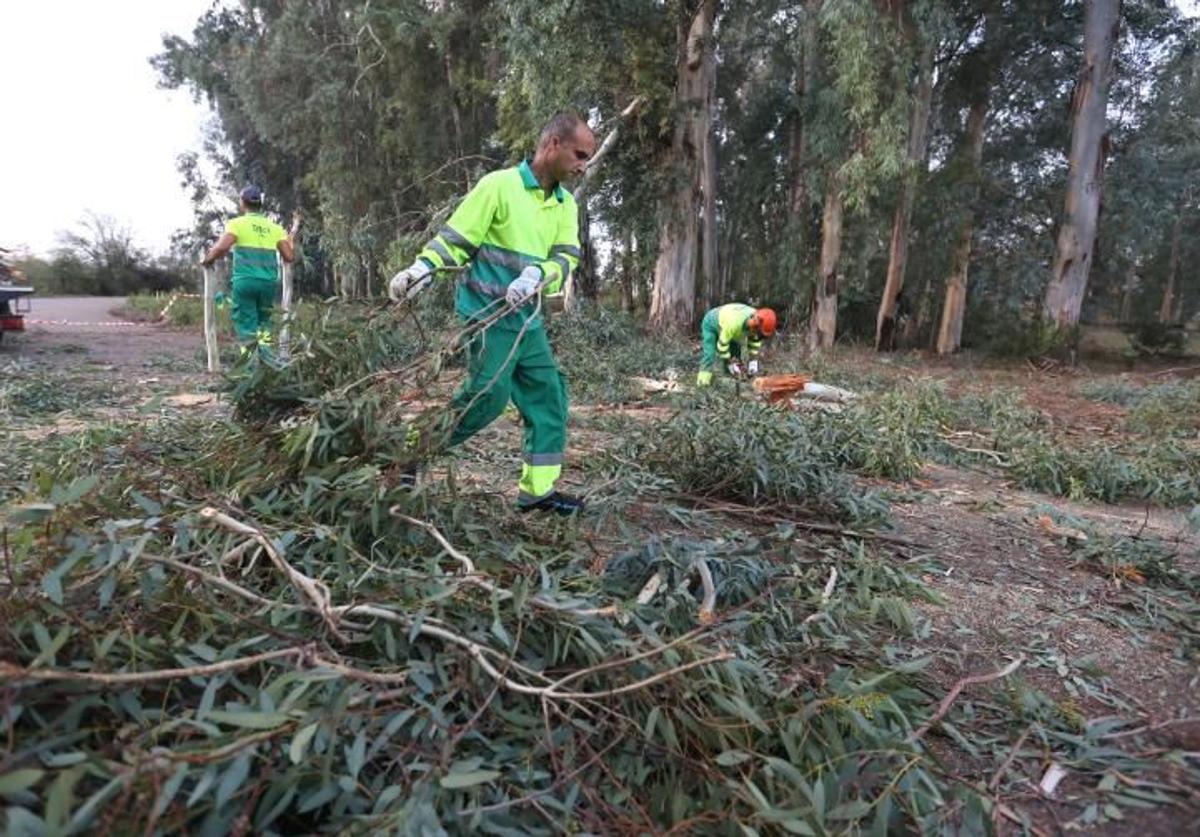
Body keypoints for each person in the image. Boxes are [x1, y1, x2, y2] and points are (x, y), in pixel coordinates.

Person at [389, 113, 596, 515]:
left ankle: (538, 492)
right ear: (553, 144)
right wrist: (423, 269)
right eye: (579, 154)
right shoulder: (498, 187)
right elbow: (458, 240)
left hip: (528, 321)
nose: (583, 165)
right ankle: (409, 452)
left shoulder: (565, 204)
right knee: (487, 398)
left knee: (549, 397)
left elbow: (566, 256)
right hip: (487, 315)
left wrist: (540, 274)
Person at [200, 185, 296, 352]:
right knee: (264, 323)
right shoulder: (274, 228)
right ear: (260, 204)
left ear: (242, 203)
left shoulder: (237, 224)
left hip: (245, 282)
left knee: (246, 325)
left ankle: (249, 368)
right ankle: (266, 363)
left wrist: (207, 259)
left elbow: (222, 248)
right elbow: (289, 256)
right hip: (268, 283)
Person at [696, 303, 777, 386]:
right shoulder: (734, 323)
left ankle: (731, 380)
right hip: (712, 322)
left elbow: (755, 341)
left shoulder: (759, 321)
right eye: (757, 331)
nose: (756, 334)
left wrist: (753, 361)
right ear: (754, 323)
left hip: (732, 326)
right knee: (710, 353)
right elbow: (722, 346)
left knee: (736, 353)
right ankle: (702, 382)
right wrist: (729, 362)